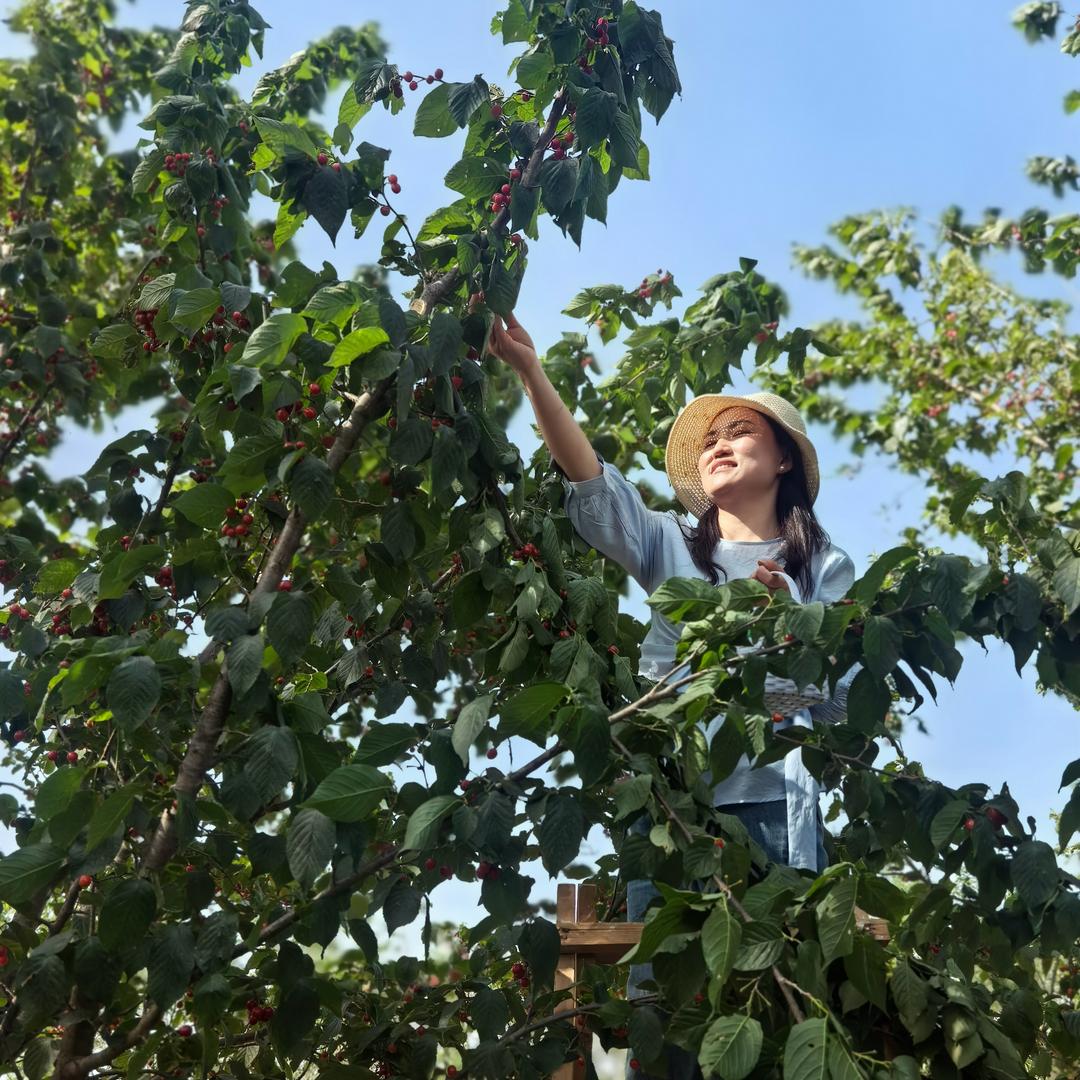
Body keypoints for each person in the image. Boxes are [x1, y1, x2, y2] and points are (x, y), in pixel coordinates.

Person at [479, 304, 857, 1080]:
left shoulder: (824, 567)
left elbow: (838, 700)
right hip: (675, 803)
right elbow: (592, 482)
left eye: (740, 433)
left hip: (773, 802)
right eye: (710, 441)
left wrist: (788, 617)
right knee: (669, 1009)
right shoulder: (675, 551)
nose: (720, 446)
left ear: (785, 459)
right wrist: (531, 372)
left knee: (767, 1005)